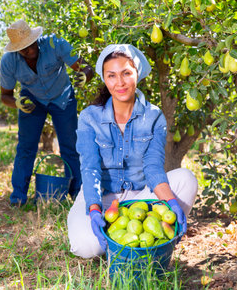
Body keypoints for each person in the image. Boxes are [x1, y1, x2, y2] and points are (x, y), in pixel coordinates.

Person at [67, 44, 199, 258]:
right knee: (86, 247)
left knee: (186, 178)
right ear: (104, 79)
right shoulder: (90, 117)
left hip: (140, 198)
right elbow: (90, 168)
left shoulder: (154, 116)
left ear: (137, 74)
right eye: (111, 76)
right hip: (101, 196)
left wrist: (171, 202)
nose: (119, 82)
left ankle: (150, 245)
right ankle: (119, 241)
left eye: (126, 73)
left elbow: (153, 167)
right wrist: (94, 209)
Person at [0, 19, 94, 207]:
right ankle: (18, 198)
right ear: (16, 49)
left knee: (70, 146)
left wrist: (85, 76)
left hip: (62, 96)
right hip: (32, 100)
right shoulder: (9, 62)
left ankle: (77, 195)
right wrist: (17, 103)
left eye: (30, 44)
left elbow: (86, 67)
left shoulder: (55, 44)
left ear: (36, 39)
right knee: (26, 148)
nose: (28, 50)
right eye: (22, 48)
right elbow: (5, 96)